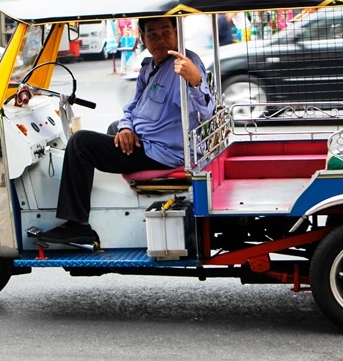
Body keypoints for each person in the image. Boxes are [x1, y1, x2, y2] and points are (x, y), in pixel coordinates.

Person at [38, 16, 215, 245]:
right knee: (115, 127)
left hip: (163, 152)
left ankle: (77, 225)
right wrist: (126, 128)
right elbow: (133, 106)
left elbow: (207, 110)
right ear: (142, 37)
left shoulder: (185, 64)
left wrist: (195, 79)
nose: (160, 39)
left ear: (177, 33)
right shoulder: (150, 66)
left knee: (81, 143)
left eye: (166, 32)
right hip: (147, 140)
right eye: (152, 34)